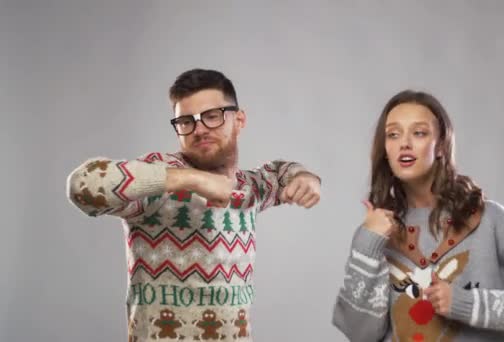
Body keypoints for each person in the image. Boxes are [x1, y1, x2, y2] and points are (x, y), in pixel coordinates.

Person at [67, 69, 321, 341]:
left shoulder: (250, 188)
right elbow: (83, 185)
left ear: (239, 119)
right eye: (186, 121)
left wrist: (305, 177)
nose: (199, 129)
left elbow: (281, 171)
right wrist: (190, 179)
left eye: (212, 116)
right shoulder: (160, 177)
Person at [332, 90, 504, 341]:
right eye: (393, 134)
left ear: (441, 146)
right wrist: (366, 244)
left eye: (419, 133)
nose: (404, 143)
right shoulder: (375, 233)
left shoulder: (489, 220)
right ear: (385, 149)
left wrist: (465, 303)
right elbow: (360, 335)